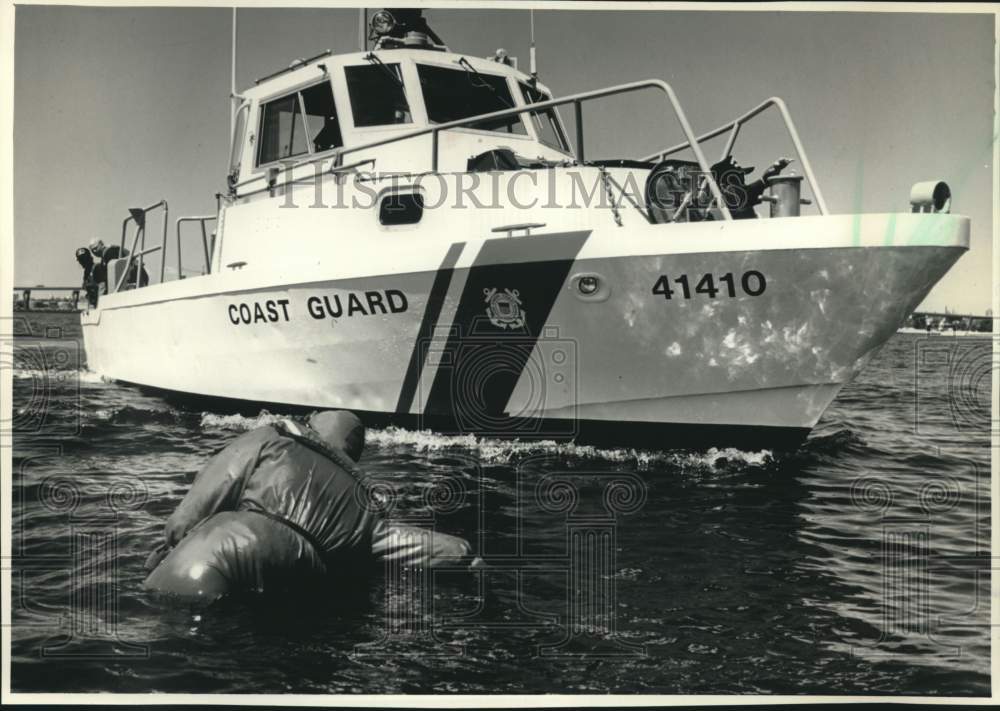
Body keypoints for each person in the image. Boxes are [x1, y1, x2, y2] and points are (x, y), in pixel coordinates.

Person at [143, 410, 477, 603]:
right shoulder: (369, 506)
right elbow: (436, 550)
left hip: (223, 547)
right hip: (299, 578)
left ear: (312, 427)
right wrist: (469, 559)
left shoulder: (271, 438)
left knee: (168, 617)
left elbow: (195, 509)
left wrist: (169, 547)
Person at [708, 156, 793, 219]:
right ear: (724, 185)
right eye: (737, 179)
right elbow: (744, 194)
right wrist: (764, 180)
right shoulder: (727, 202)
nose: (744, 180)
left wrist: (765, 179)